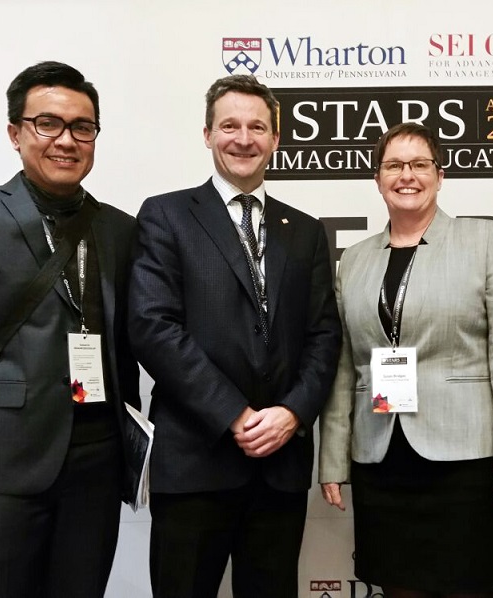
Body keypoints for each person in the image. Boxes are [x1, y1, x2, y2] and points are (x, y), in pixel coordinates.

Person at [0, 61, 140, 598]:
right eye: (48, 124)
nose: (67, 140)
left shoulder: (120, 228)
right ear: (16, 133)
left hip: (96, 464)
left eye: (83, 127)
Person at [128, 74, 342, 598]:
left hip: (280, 465)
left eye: (257, 127)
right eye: (229, 126)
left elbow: (323, 335)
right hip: (195, 460)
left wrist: (292, 413)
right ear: (207, 134)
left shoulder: (306, 230)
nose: (243, 139)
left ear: (275, 138)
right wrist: (235, 415)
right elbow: (153, 327)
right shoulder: (166, 215)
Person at [318, 122, 493, 598]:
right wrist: (333, 459)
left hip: (467, 463)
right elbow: (344, 369)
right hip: (382, 461)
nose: (407, 176)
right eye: (394, 166)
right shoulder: (354, 260)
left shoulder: (486, 241)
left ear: (440, 176)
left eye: (420, 164)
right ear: (377, 179)